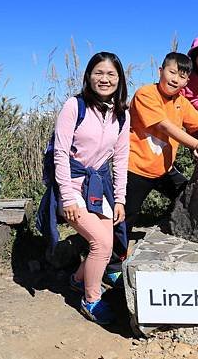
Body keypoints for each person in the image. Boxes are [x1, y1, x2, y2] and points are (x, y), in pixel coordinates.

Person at [52, 52, 130, 324]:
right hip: (72, 187)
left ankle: (77, 280)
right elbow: (60, 154)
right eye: (99, 73)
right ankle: (91, 299)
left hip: (98, 189)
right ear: (88, 76)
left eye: (111, 74)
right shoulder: (75, 106)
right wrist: (68, 197)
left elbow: (120, 159)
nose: (104, 79)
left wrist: (119, 199)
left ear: (119, 80)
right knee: (101, 243)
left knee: (105, 245)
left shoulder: (121, 114)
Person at [125, 52, 198, 229]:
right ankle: (112, 254)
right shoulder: (146, 94)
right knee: (125, 217)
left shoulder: (181, 101)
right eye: (172, 72)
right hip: (136, 170)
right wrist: (195, 144)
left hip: (164, 170)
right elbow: (164, 126)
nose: (175, 79)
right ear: (160, 71)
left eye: (182, 76)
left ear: (186, 82)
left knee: (188, 195)